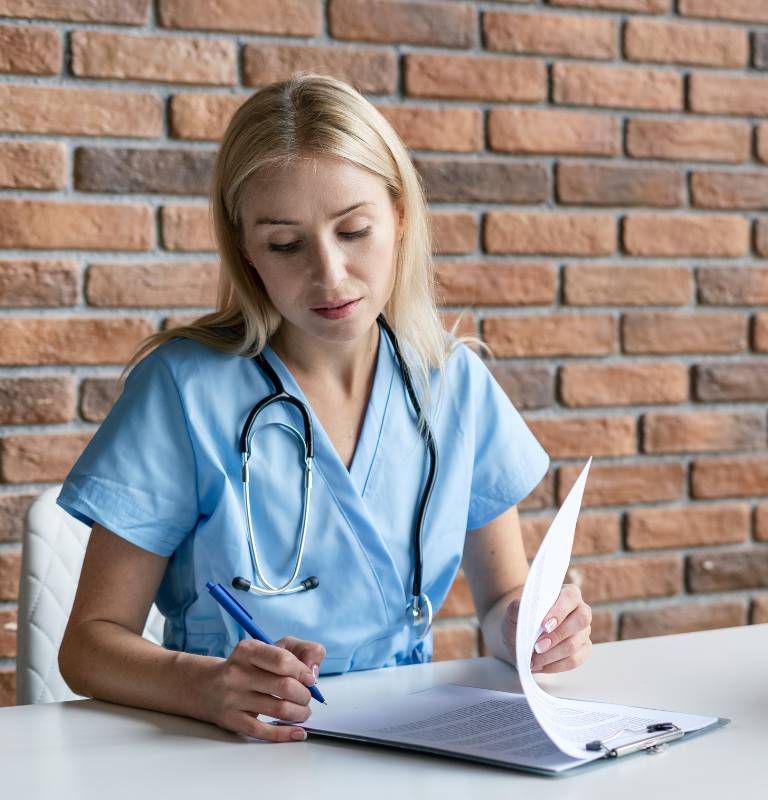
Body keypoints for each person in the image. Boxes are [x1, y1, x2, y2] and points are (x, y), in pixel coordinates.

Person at [55, 72, 593, 743]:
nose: (330, 275)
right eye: (285, 243)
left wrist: (530, 630)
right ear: (247, 249)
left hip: (408, 742)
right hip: (229, 751)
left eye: (355, 230)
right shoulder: (181, 391)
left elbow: (500, 603)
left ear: (399, 217)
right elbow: (86, 647)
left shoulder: (454, 386)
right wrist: (205, 685)